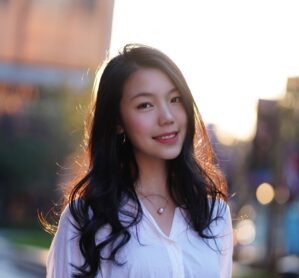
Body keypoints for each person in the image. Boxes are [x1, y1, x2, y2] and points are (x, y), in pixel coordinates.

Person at [46, 44, 233, 278]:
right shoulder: (86, 219)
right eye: (145, 105)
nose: (167, 117)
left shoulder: (214, 215)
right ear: (117, 121)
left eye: (175, 99)